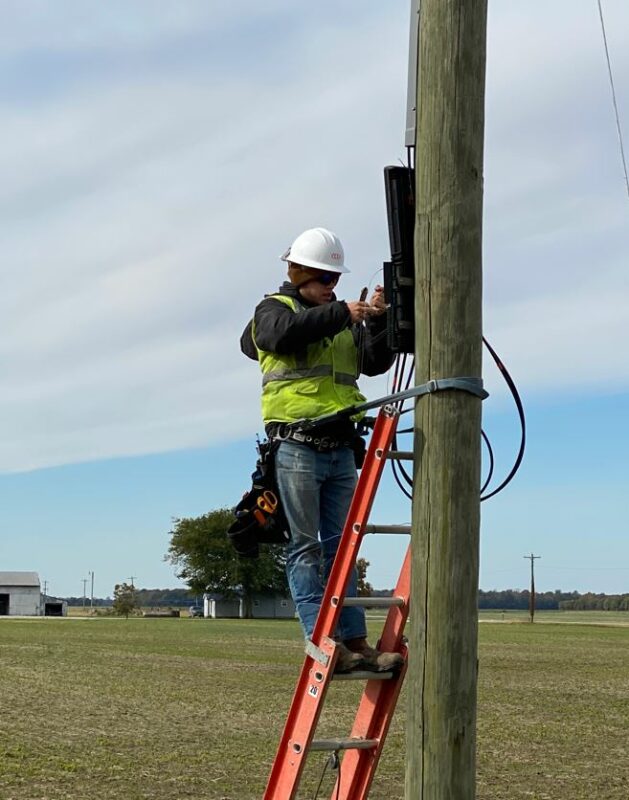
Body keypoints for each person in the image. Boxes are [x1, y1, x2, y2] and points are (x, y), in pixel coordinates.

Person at [240, 227, 404, 673]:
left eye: (335, 281)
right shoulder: (275, 310)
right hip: (297, 445)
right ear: (299, 275)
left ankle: (355, 642)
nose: (332, 288)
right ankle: (323, 643)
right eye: (324, 280)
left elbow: (372, 364)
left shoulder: (337, 316)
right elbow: (278, 336)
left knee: (341, 550)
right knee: (306, 548)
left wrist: (376, 321)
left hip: (339, 445)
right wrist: (341, 314)